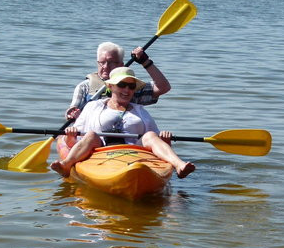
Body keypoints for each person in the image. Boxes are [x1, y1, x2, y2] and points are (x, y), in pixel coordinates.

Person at [51, 67, 195, 179]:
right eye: (122, 85)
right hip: (101, 151)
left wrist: (165, 139)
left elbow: (156, 143)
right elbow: (72, 142)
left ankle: (180, 166)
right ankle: (66, 165)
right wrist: (70, 136)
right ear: (111, 86)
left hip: (136, 153)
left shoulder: (140, 111)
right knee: (91, 135)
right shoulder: (93, 106)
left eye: (131, 87)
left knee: (150, 135)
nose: (127, 90)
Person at [65, 41, 172, 120]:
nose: (106, 67)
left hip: (126, 134)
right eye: (102, 62)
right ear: (97, 63)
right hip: (92, 134)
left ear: (121, 65)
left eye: (111, 62)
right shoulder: (85, 87)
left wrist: (145, 62)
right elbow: (72, 110)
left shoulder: (129, 85)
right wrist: (71, 113)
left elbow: (163, 87)